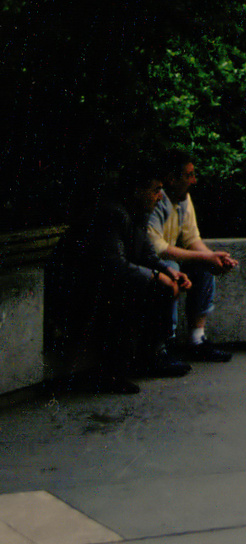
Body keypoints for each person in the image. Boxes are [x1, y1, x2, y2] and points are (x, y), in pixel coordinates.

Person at [47, 156, 193, 394]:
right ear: (137, 190)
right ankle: (114, 372)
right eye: (156, 190)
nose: (160, 197)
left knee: (161, 285)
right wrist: (157, 278)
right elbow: (111, 265)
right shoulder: (112, 213)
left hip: (100, 284)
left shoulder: (136, 213)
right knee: (127, 294)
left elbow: (147, 255)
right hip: (76, 293)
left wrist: (168, 272)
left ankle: (150, 356)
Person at [148, 150, 238, 361]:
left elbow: (191, 239)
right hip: (149, 261)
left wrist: (215, 258)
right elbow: (156, 248)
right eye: (189, 175)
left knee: (202, 268)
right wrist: (205, 257)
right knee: (173, 268)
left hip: (164, 258)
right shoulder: (155, 200)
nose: (194, 181)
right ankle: (162, 347)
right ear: (171, 179)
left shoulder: (183, 199)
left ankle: (196, 340)